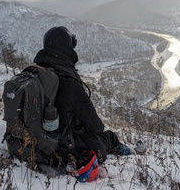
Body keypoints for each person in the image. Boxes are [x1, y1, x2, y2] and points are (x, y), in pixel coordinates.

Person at [33, 26, 131, 169]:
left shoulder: (37, 73)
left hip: (33, 145)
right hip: (58, 151)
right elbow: (96, 126)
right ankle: (127, 155)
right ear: (66, 48)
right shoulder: (69, 82)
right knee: (108, 137)